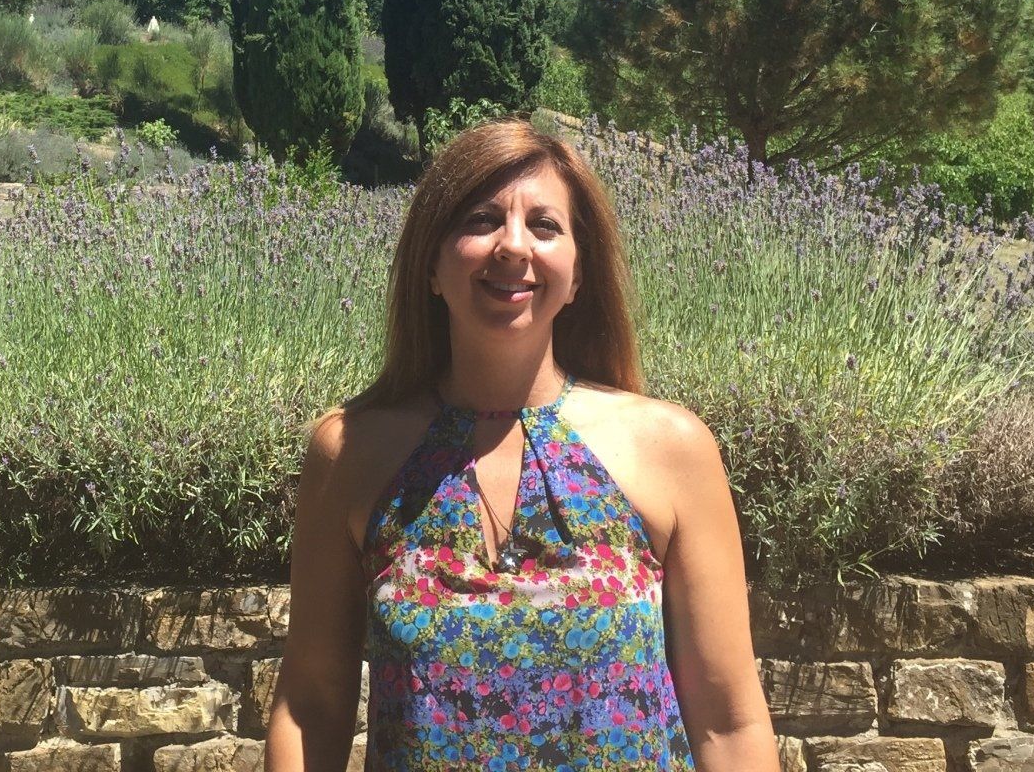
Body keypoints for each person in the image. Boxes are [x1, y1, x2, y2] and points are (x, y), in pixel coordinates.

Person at [266, 119, 777, 771]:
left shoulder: (669, 448)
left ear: (579, 270)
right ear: (431, 262)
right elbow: (311, 705)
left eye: (544, 225)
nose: (513, 245)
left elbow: (729, 724)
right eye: (481, 219)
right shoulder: (354, 450)